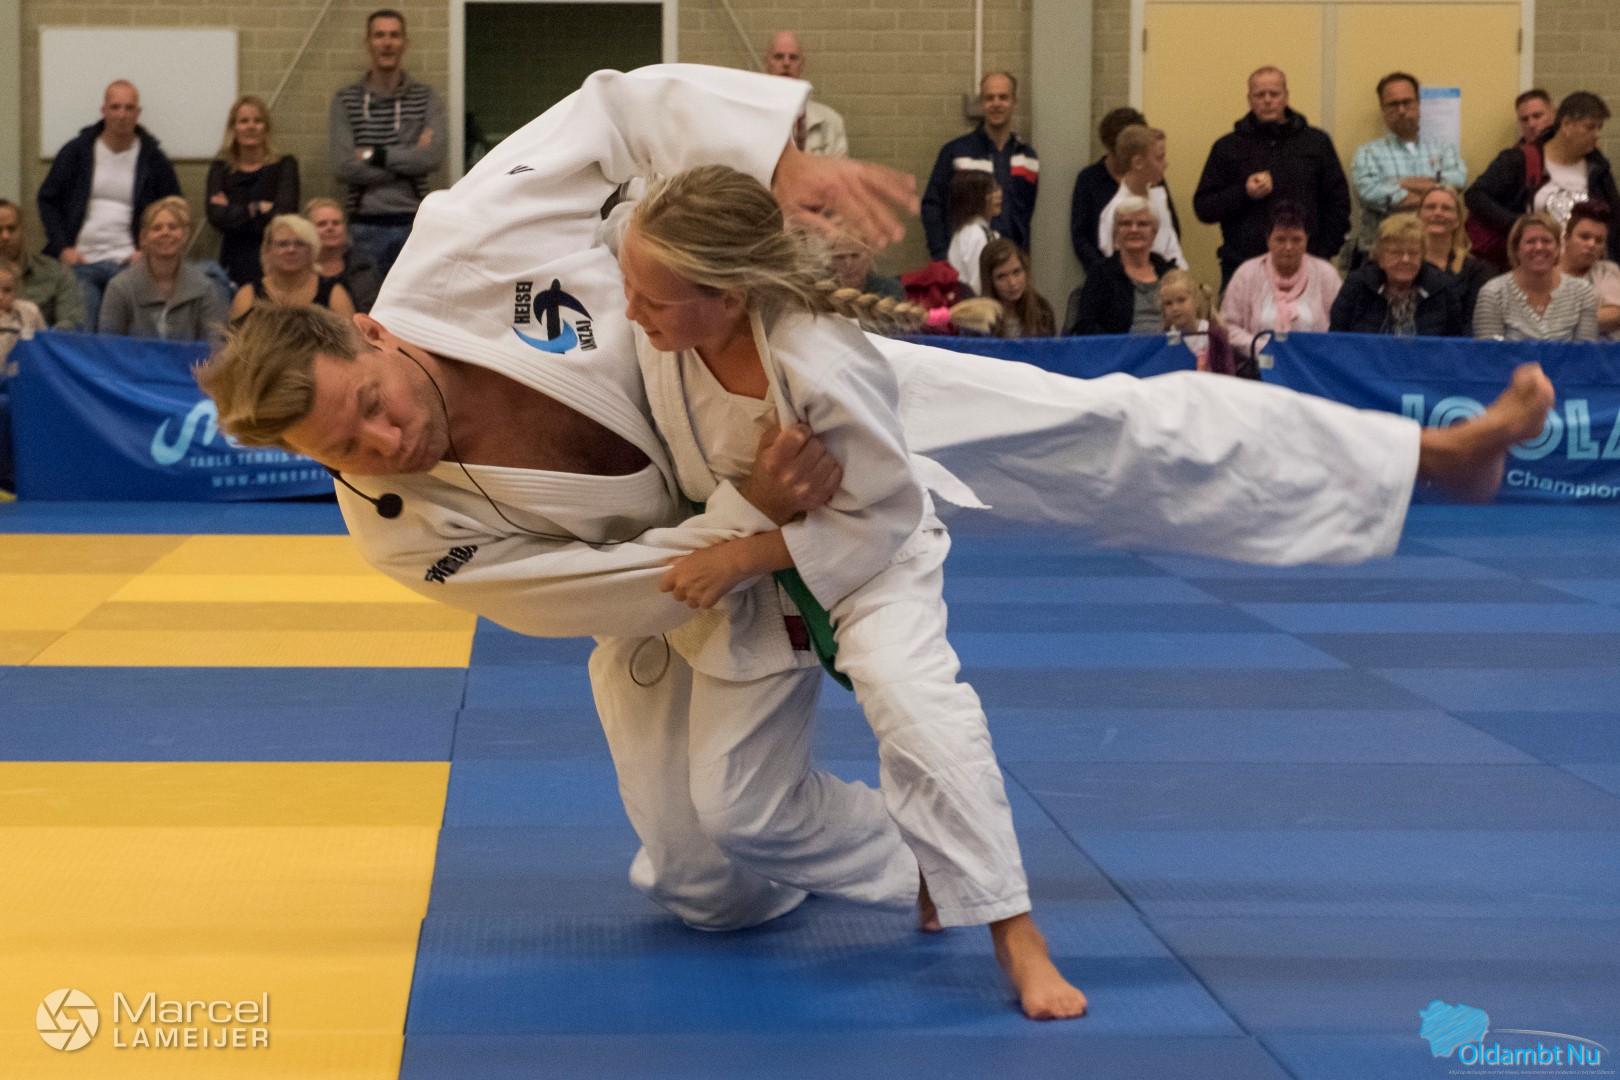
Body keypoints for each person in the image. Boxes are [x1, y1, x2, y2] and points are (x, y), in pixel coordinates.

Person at [194, 63, 1554, 1021]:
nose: (383, 444)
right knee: (702, 870)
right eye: (341, 450)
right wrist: (758, 523)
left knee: (1099, 428)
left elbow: (614, 113)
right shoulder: (400, 534)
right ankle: (911, 864)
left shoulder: (458, 245)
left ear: (368, 330)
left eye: (368, 404)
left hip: (761, 392)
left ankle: (1422, 459)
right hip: (680, 581)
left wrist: (772, 159)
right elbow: (605, 593)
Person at [36, 80, 181, 330]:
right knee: (82, 328)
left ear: (138, 113)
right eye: (115, 107)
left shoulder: (153, 159)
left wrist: (147, 250)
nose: (122, 115)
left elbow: (175, 207)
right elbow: (47, 200)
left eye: (129, 108)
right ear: (103, 111)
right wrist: (62, 248)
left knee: (123, 329)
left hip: (130, 263)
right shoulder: (77, 151)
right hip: (81, 261)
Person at [1193, 66, 1351, 285]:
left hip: (1308, 266)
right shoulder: (1227, 147)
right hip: (1243, 268)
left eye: (1274, 94)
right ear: (1249, 100)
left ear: (1286, 97)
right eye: (1260, 95)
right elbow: (1204, 208)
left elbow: (1338, 203)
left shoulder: (1316, 143)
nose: (1267, 100)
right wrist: (1244, 192)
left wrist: (1322, 252)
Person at [329, 8, 446, 277]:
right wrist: (409, 158)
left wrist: (370, 155)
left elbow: (431, 158)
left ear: (405, 42)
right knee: (366, 301)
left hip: (415, 223)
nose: (387, 42)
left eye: (394, 35)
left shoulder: (426, 97)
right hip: (363, 225)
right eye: (379, 35)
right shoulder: (346, 100)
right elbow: (342, 166)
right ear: (368, 42)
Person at [1468, 92, 1620, 268]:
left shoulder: (1598, 168)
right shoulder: (1519, 160)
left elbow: (1615, 220)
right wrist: (1517, 224)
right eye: (1590, 127)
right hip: (1533, 268)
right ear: (1566, 125)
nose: (1596, 135)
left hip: (1587, 270)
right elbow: (1475, 196)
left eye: (1599, 128)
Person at [1350, 72, 1468, 262]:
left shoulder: (1444, 149)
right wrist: (1435, 193)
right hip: (1382, 256)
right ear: (1382, 109)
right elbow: (1369, 193)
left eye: (1407, 102)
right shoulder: (1368, 153)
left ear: (1418, 104)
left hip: (1437, 256)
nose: (1402, 110)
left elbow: (1458, 181)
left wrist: (1400, 183)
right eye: (1393, 104)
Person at [921, 73, 1037, 260]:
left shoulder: (1028, 159)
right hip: (965, 261)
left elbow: (1026, 214)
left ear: (1014, 101)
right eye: (989, 98)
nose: (996, 103)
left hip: (1011, 263)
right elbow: (932, 206)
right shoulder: (956, 152)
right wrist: (942, 256)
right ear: (982, 103)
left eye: (1003, 97)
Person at [1072, 107, 1188, 274]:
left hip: (1162, 277)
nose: (1165, 164)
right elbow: (1084, 238)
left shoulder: (1156, 189)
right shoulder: (1100, 191)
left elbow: (1171, 238)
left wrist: (1176, 275)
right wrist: (1101, 273)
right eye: (1159, 157)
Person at [98, 196, 228, 342]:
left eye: (173, 227)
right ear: (143, 238)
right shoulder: (119, 288)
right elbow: (107, 346)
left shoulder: (205, 288)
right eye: (156, 228)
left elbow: (215, 346)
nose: (165, 232)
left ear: (185, 235)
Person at [1220, 201, 1341, 356]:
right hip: (1259, 363)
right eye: (1280, 239)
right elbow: (1227, 327)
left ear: (1307, 239)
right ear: (1267, 239)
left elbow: (1341, 329)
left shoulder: (1326, 274)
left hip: (1313, 363)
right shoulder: (1246, 273)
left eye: (1296, 239)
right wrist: (1265, 349)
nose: (1288, 247)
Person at [207, 96, 301, 289]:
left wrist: (234, 210)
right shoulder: (220, 169)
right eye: (244, 121)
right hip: (233, 258)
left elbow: (285, 214)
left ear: (266, 127)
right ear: (233, 128)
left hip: (275, 259)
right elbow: (217, 217)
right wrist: (259, 208)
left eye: (257, 121)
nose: (251, 126)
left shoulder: (285, 166)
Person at [1330, 213, 1467, 336]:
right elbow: (1336, 339)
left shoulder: (1442, 287)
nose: (1405, 259)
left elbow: (1455, 345)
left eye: (1413, 253)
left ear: (1422, 257)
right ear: (1380, 257)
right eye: (1396, 252)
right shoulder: (1358, 284)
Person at [1473, 212, 1600, 341]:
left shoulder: (1582, 292)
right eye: (1530, 241)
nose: (1539, 247)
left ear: (1558, 248)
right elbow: (1489, 351)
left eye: (1546, 241)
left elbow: (1586, 350)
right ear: (1516, 249)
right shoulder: (1493, 293)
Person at [1063, 197, 1175, 335]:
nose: (1134, 229)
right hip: (1119, 347)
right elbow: (1086, 327)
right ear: (1116, 232)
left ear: (1154, 232)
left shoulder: (1170, 273)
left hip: (1167, 346)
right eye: (1126, 224)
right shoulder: (1101, 274)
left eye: (1142, 224)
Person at [229, 214, 356, 322]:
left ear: (312, 250)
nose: (291, 250)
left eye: (300, 244)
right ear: (268, 250)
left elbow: (352, 341)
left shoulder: (335, 294)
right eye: (283, 244)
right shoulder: (247, 295)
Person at [1097, 125, 1186, 268]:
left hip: (1168, 276)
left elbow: (1173, 249)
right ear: (1138, 163)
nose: (1166, 164)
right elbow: (1113, 262)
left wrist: (1181, 274)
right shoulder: (1116, 210)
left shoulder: (1158, 198)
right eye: (1159, 158)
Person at [0, 199, 86, 329]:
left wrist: (42, 337)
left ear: (22, 230)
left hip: (43, 339)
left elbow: (71, 322)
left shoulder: (56, 272)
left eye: (11, 229)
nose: (5, 236)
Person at [1417, 185, 1494, 325]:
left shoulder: (1477, 271)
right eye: (1430, 207)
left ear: (1458, 220)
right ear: (1418, 216)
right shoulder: (1405, 265)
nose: (1438, 213)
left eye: (1446, 208)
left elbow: (1473, 322)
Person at [763, 31, 846, 157]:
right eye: (779, 57)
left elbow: (839, 168)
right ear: (767, 64)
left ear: (801, 65)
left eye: (793, 58)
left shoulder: (831, 122)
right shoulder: (749, 120)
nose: (786, 63)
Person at [306, 197, 384, 314]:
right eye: (322, 224)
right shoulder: (298, 269)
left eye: (336, 223)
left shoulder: (364, 268)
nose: (330, 228)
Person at [1158, 268, 1241, 376]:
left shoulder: (1213, 334)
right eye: (1168, 303)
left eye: (1181, 300)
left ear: (1195, 301)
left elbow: (1227, 372)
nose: (1175, 308)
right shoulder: (1164, 339)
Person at [1558, 201, 1620, 340]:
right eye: (1584, 237)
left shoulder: (1606, 271)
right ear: (1566, 238)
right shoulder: (1544, 274)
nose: (1591, 244)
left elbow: (1616, 313)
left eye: (1599, 240)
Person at [978, 238, 1055, 338]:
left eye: (1017, 272)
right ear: (989, 281)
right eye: (1001, 277)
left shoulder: (1042, 310)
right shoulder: (977, 318)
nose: (1012, 283)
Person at [946, 172, 1000, 294]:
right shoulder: (977, 235)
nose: (998, 195)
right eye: (990, 192)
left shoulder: (967, 231)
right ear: (975, 198)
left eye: (996, 189)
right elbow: (979, 286)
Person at [830, 238, 904, 302]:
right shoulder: (826, 292)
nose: (848, 264)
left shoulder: (889, 289)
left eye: (855, 256)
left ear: (869, 257)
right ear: (831, 261)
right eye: (840, 257)